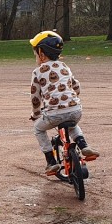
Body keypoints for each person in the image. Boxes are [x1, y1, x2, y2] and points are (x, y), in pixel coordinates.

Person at [28, 30, 99, 176]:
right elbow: (76, 86)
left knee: (38, 129)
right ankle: (83, 145)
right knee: (72, 124)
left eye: (35, 54)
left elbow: (35, 97)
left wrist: (36, 114)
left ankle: (51, 162)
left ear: (41, 54)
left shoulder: (38, 72)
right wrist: (70, 99)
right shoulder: (64, 66)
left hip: (54, 113)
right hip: (75, 109)